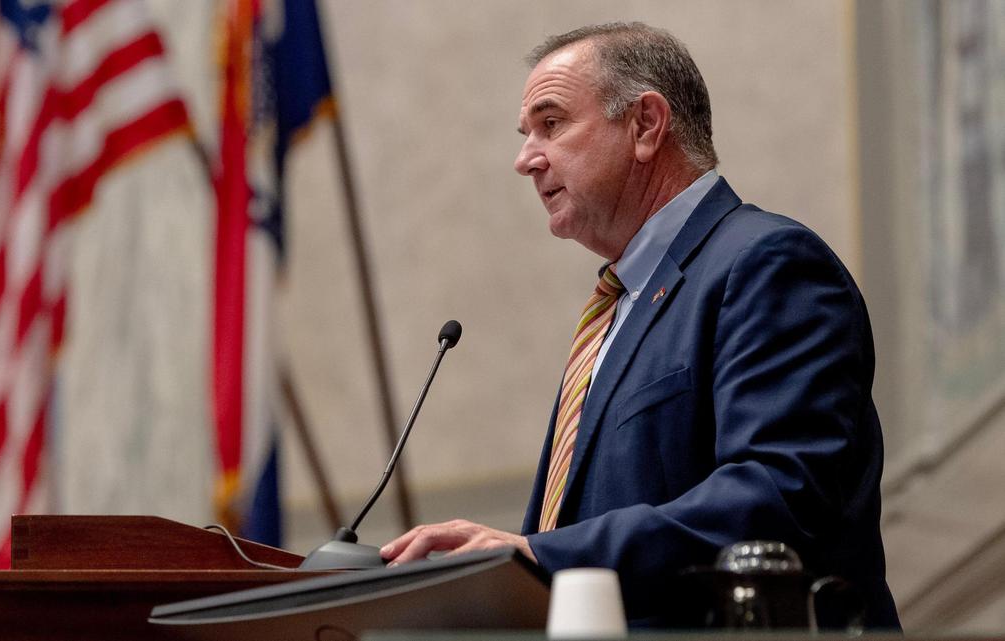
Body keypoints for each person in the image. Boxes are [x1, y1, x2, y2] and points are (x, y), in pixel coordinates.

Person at [379, 22, 900, 628]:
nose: (525, 159)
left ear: (646, 126)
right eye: (526, 135)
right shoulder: (618, 304)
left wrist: (535, 557)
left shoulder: (766, 264)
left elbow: (774, 497)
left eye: (551, 124)